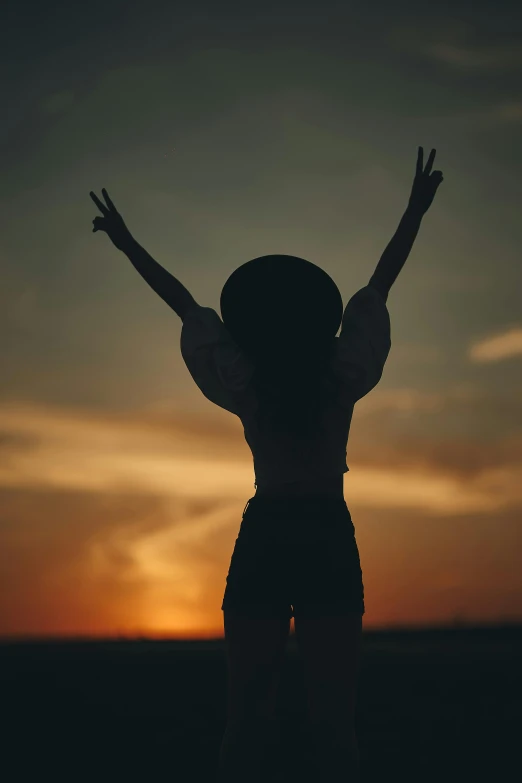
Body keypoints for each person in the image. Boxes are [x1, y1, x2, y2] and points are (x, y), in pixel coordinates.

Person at [89, 146, 444, 782]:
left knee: (249, 716)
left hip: (272, 534)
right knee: (329, 722)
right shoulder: (338, 376)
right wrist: (414, 210)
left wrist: (125, 243)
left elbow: (183, 302)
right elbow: (380, 284)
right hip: (325, 534)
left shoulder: (248, 380)